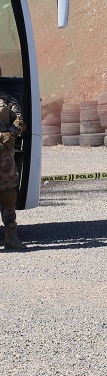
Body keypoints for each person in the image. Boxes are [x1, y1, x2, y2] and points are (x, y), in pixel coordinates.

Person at [0, 82, 27, 251]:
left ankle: (11, 236)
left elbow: (19, 122)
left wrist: (9, 136)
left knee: (8, 193)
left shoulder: (8, 100)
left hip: (4, 156)